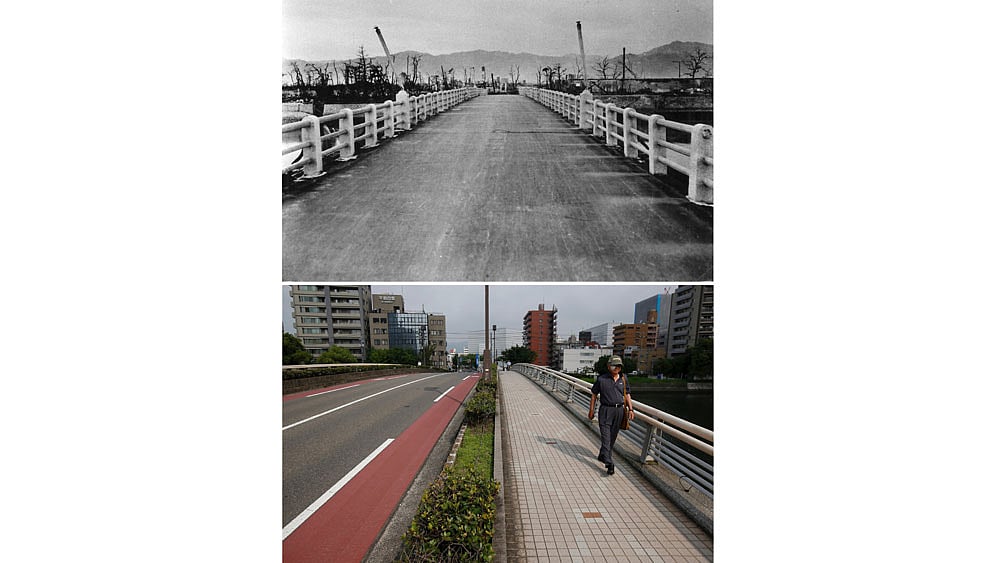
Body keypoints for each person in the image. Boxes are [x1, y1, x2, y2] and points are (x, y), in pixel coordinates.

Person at [588, 356, 634, 475]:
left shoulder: (623, 378)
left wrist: (631, 409)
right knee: (606, 436)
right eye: (614, 365)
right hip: (605, 410)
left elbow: (627, 394)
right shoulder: (601, 379)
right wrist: (591, 410)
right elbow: (594, 394)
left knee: (612, 437)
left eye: (618, 366)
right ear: (609, 366)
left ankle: (602, 455)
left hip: (619, 411)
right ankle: (609, 462)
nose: (616, 368)